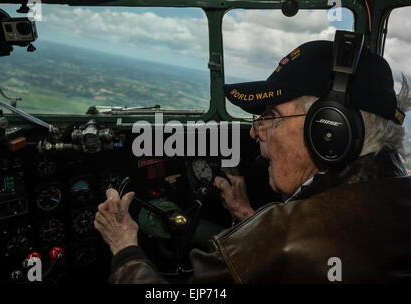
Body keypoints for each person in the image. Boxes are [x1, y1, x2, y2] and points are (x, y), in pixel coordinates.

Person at [94, 39, 411, 283]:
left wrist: (125, 248)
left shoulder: (282, 237)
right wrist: (249, 216)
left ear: (329, 130)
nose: (255, 133)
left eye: (271, 117)